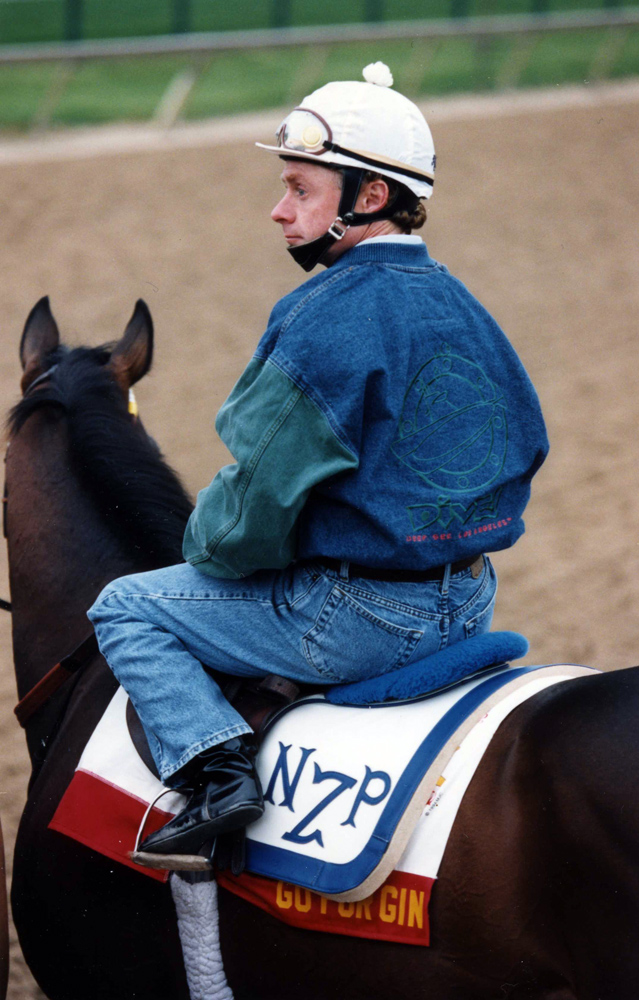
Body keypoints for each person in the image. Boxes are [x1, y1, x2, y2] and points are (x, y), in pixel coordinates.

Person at [88, 62, 549, 868]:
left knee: (126, 604)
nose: (278, 209)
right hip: (471, 599)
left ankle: (218, 775)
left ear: (368, 197)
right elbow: (526, 445)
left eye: (299, 189)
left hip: (358, 621)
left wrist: (205, 547)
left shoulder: (319, 315)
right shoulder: (463, 302)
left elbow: (247, 517)